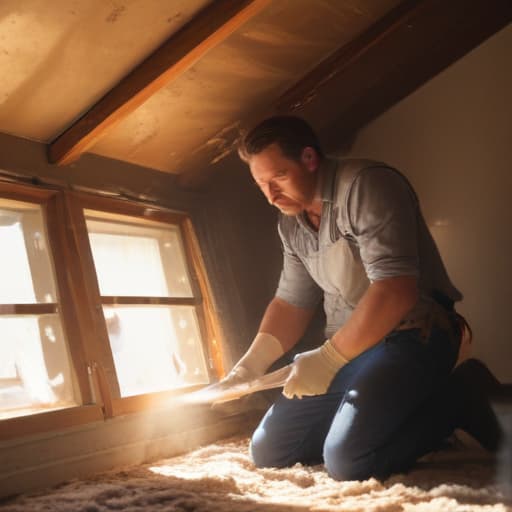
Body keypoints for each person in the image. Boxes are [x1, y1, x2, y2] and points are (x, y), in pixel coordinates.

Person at [222, 115, 503, 481]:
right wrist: (247, 368)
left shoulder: (367, 185)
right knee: (270, 450)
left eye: (278, 178)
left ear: (309, 159)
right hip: (350, 348)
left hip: (415, 334)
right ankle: (380, 413)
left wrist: (326, 362)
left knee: (348, 460)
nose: (271, 195)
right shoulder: (290, 223)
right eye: (261, 184)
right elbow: (291, 301)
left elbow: (395, 289)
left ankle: (461, 396)